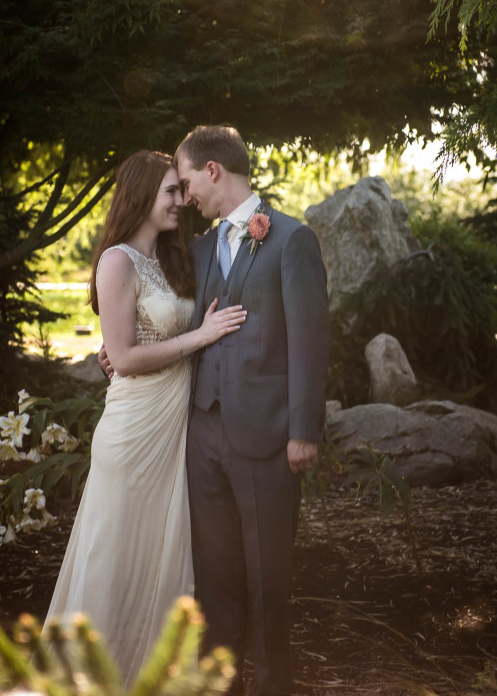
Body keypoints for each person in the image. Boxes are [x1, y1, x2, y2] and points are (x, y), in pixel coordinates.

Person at [44, 150, 246, 685]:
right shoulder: (116, 261)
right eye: (169, 192)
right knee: (116, 563)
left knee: (162, 559)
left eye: (181, 191)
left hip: (171, 430)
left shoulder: (170, 261)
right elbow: (126, 358)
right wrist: (199, 335)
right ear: (140, 197)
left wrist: (193, 334)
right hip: (133, 433)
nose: (181, 201)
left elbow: (151, 341)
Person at [176, 125, 330, 696]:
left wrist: (304, 430)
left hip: (268, 437)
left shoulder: (291, 240)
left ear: (213, 170)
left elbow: (310, 342)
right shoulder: (196, 249)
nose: (185, 193)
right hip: (203, 435)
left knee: (268, 580)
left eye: (187, 179)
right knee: (214, 578)